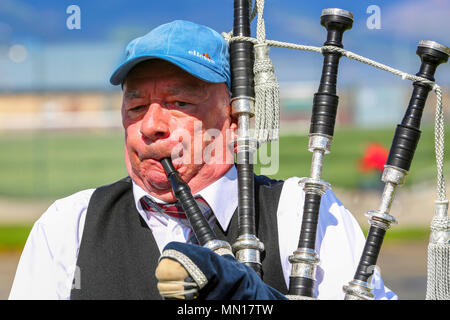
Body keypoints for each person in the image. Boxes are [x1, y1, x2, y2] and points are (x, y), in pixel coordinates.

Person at [9, 20, 397, 300]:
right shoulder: (68, 226)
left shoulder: (299, 212)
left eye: (179, 103)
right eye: (137, 104)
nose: (151, 125)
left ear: (233, 120)